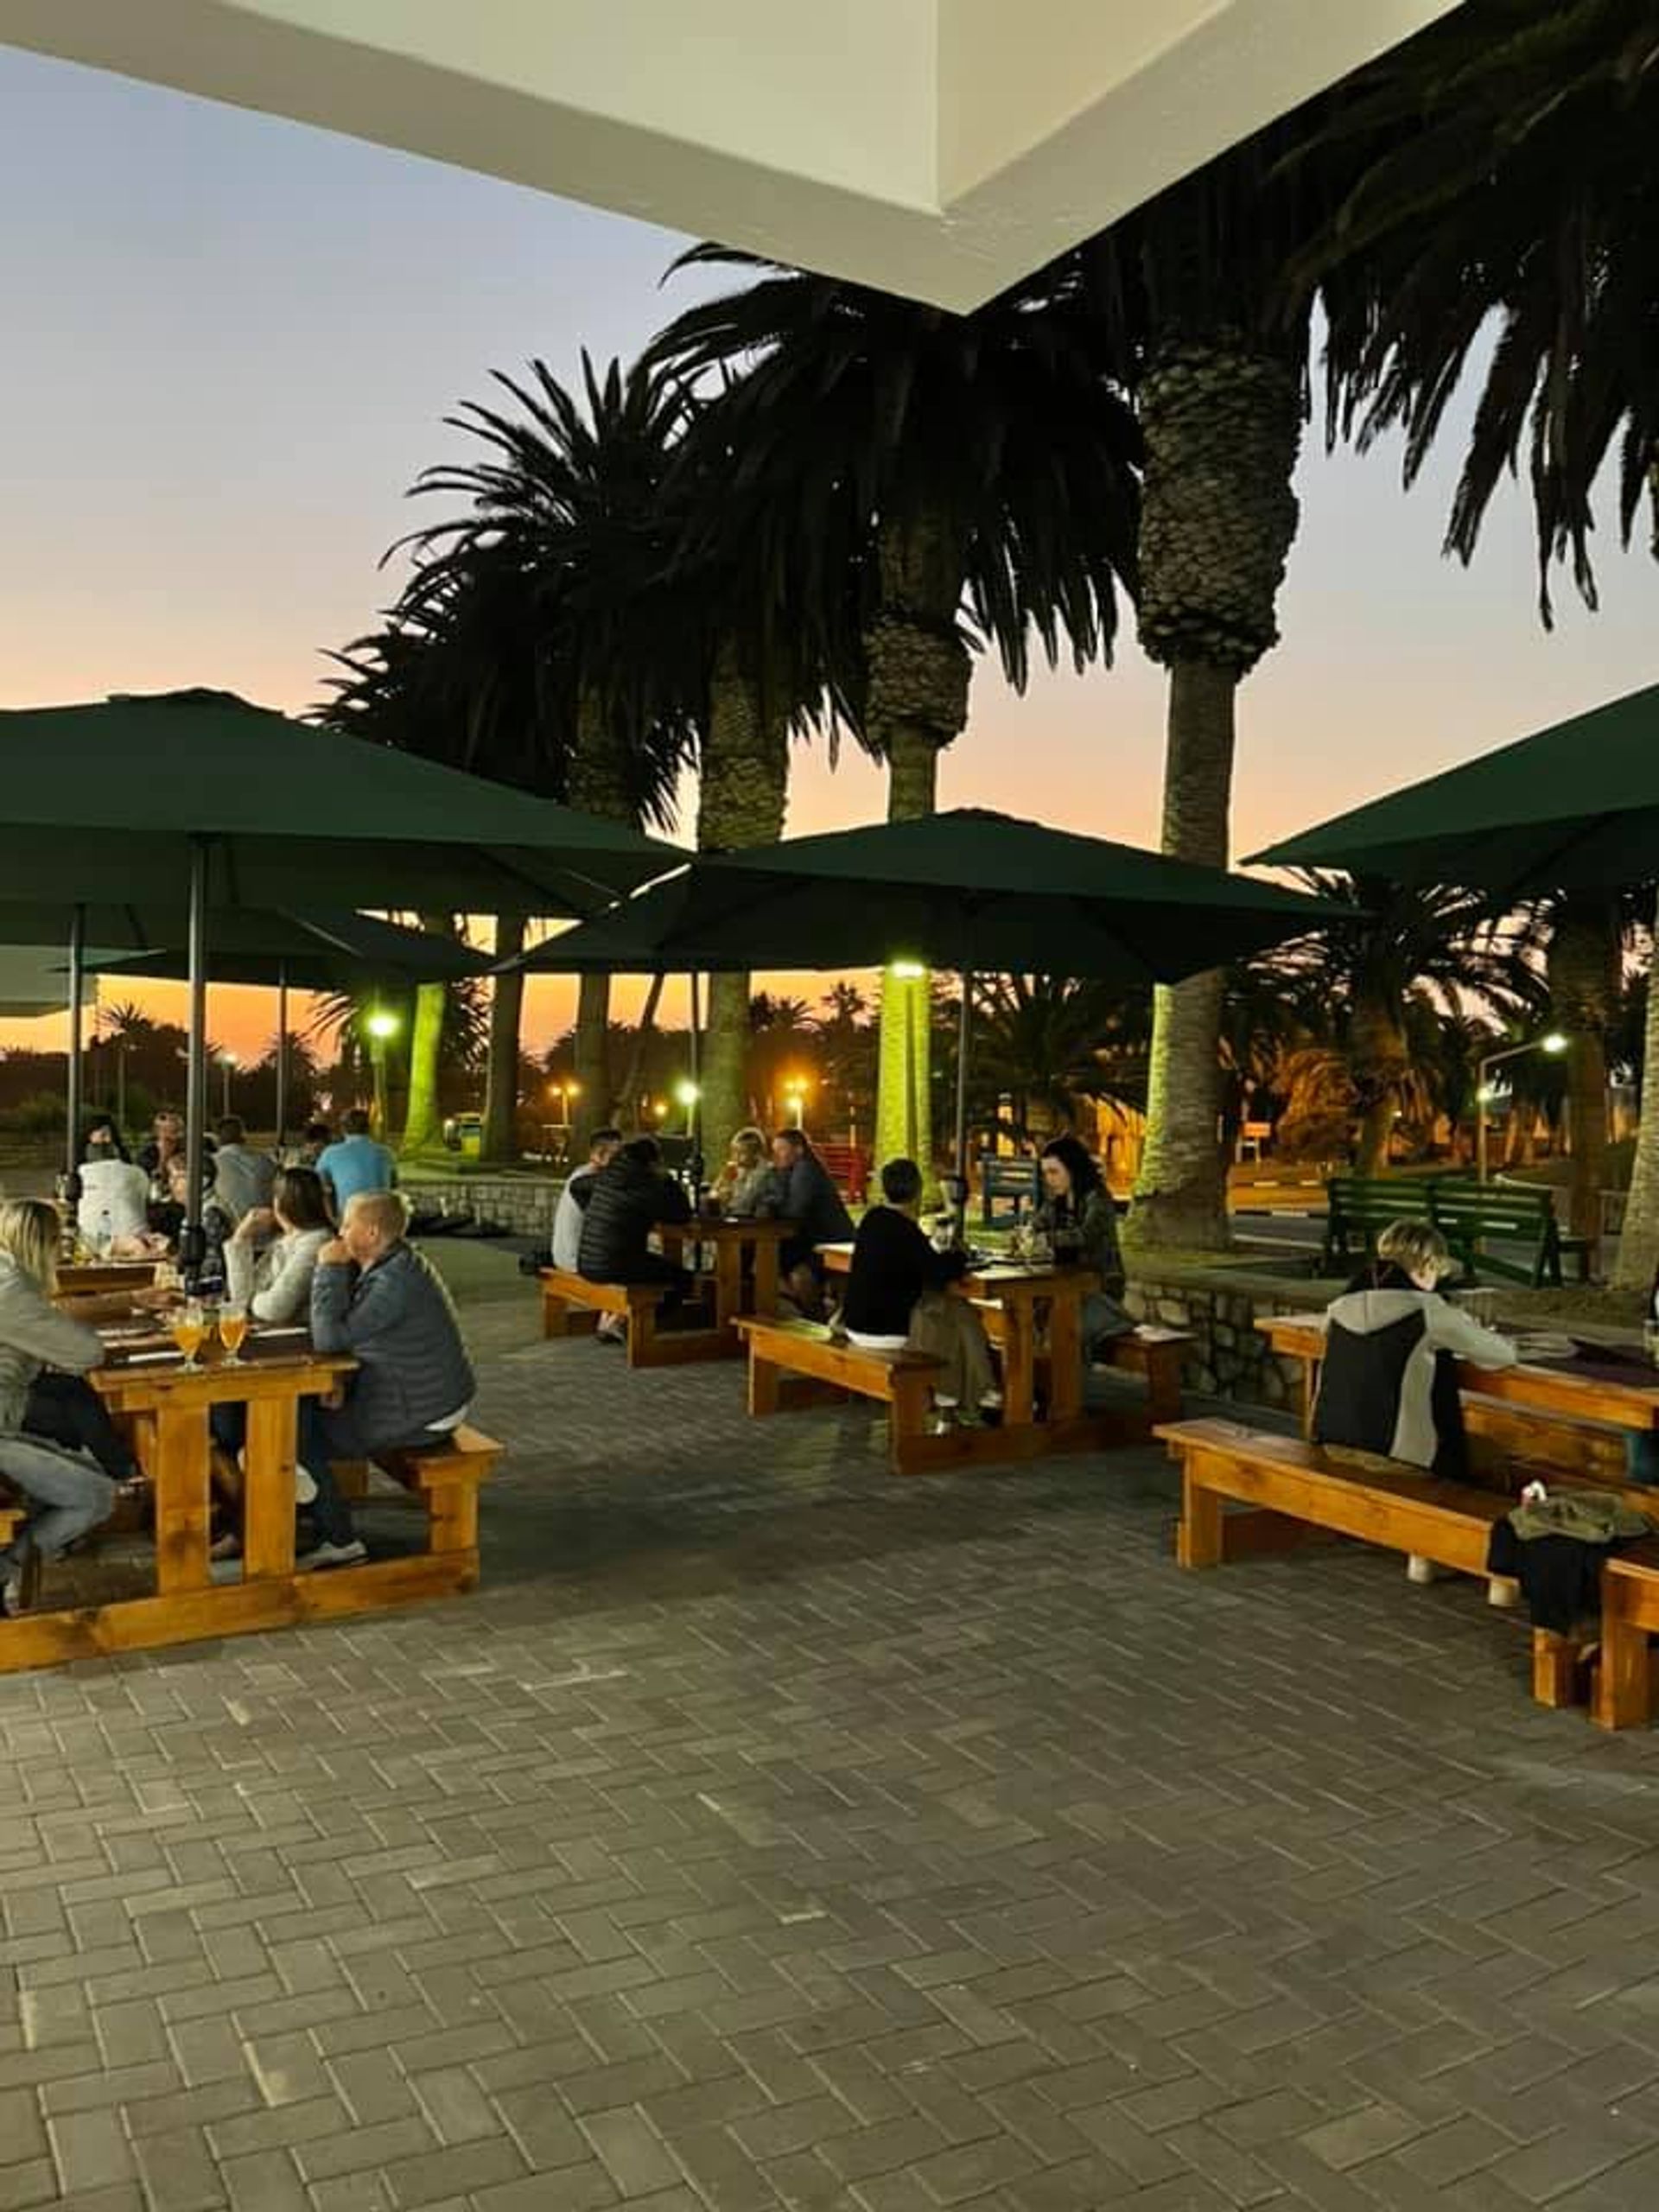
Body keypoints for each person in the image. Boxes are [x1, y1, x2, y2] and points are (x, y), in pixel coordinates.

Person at [1313, 1219, 1518, 1586]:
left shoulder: (1340, 1304)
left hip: (1335, 1442)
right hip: (1398, 1455)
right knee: (1492, 1457)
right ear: (1426, 1265)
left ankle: (1426, 1551)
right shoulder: (1426, 1308)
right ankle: (1461, 1561)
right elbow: (1500, 1356)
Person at [299, 1191, 477, 1569]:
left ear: (372, 1233)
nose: (340, 1232)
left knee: (293, 1435)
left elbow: (329, 1339)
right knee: (298, 1420)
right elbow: (356, 1338)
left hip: (425, 1408)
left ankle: (341, 1541)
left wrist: (327, 1269)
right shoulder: (389, 1264)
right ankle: (305, 1512)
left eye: (348, 1224)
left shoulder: (396, 1280)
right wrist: (341, 1380)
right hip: (417, 1393)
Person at [0, 1198, 123, 1614]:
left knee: (84, 1457)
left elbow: (51, 1325)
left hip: (10, 1417)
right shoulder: (11, 1290)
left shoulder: (10, 1277)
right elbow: (87, 1352)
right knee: (96, 1497)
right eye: (59, 1243)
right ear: (43, 1243)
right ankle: (5, 1570)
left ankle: (15, 1569)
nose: (62, 1253)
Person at [842, 1158, 999, 1426]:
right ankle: (978, 1393)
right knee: (955, 1316)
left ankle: (972, 1396)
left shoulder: (872, 1220)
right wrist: (961, 1257)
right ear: (917, 1191)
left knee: (956, 1312)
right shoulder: (905, 1231)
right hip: (886, 1331)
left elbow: (920, 1262)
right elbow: (938, 1272)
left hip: (856, 1324)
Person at [577, 1136, 692, 1339]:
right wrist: (668, 1180)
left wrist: (596, 1212)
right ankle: (626, 1322)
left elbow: (576, 1186)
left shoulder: (608, 1178)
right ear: (652, 1163)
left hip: (587, 1262)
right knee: (682, 1279)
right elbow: (682, 1214)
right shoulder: (645, 1186)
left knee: (658, 1268)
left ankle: (614, 1318)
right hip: (615, 1265)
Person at [1032, 1135, 1131, 1354]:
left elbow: (1086, 1236)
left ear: (1073, 1169)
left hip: (1099, 1290)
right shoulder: (1056, 1201)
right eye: (1045, 1173)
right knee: (1029, 1317)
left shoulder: (1098, 1199)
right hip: (1063, 1285)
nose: (1049, 1179)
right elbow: (1036, 1226)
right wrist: (1028, 1234)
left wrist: (1048, 1239)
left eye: (1054, 1172)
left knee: (1063, 1329)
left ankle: (1067, 1376)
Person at [759, 1129, 855, 1316]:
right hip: (816, 1241)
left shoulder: (805, 1171)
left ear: (799, 1150)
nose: (776, 1155)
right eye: (774, 1150)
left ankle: (815, 1318)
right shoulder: (792, 1171)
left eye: (782, 1149)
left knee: (789, 1271)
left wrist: (770, 1208)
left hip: (830, 1243)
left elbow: (794, 1211)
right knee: (769, 1263)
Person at [224, 1167, 335, 1324]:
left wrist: (251, 1301)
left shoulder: (315, 1243)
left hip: (296, 1335)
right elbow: (240, 1301)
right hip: (270, 1330)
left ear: (282, 1204)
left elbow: (274, 1309)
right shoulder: (285, 1239)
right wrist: (241, 1237)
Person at [551, 1127, 623, 1272]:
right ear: (600, 1154)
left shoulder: (581, 1173)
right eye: (618, 1155)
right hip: (578, 1261)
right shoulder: (591, 1181)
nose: (623, 1161)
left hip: (564, 1256)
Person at [316, 1109, 398, 1217]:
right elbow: (394, 1185)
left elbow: (318, 1183)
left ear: (343, 1128)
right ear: (369, 1128)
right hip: (383, 1218)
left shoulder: (331, 1153)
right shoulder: (387, 1152)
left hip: (350, 1219)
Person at [76, 1143, 153, 1254]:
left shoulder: (79, 1172)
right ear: (116, 1154)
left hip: (91, 1244)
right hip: (136, 1239)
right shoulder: (137, 1172)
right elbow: (145, 1196)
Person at [212, 1115, 276, 1224]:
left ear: (218, 1139)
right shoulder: (264, 1161)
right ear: (242, 1136)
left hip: (228, 1226)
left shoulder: (211, 1163)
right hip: (263, 1225)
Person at [713, 1128, 772, 1217]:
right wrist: (722, 1183)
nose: (736, 1157)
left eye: (742, 1153)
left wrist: (728, 1190)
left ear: (756, 1154)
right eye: (734, 1152)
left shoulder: (765, 1172)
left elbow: (744, 1202)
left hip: (753, 1220)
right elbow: (713, 1193)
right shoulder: (735, 1168)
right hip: (732, 1217)